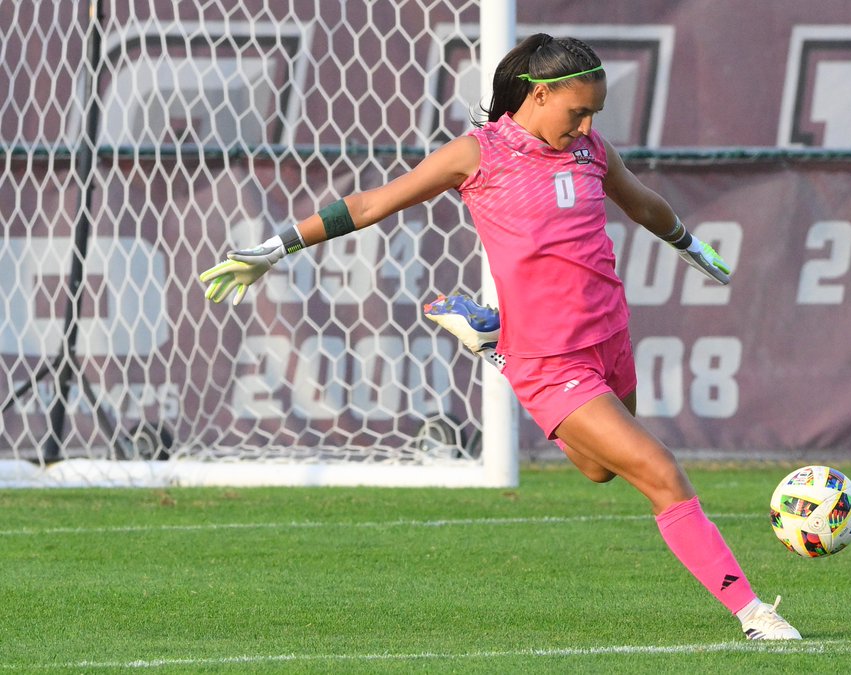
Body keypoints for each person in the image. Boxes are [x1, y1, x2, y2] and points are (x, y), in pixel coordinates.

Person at [200, 33, 800, 641]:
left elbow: (642, 203)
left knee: (599, 471)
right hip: (550, 358)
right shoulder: (478, 155)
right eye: (578, 111)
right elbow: (370, 205)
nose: (587, 123)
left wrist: (690, 246)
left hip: (610, 337)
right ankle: (754, 614)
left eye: (595, 113)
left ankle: (494, 343)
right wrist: (276, 248)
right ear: (540, 95)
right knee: (660, 471)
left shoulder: (590, 151)